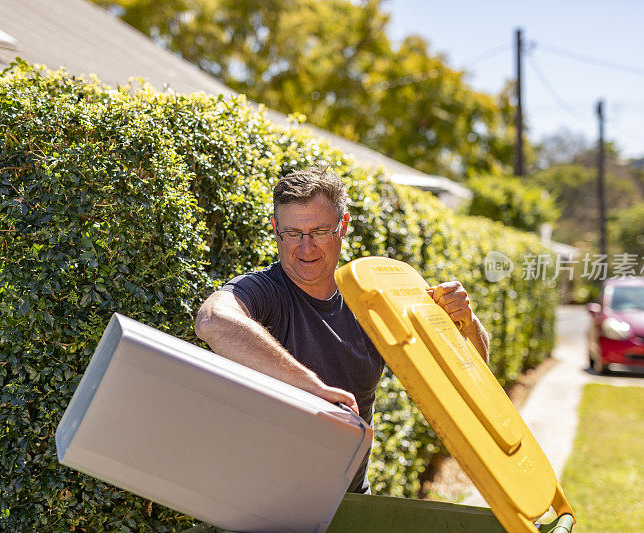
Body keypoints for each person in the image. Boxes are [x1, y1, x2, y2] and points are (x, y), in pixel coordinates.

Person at [195, 166, 489, 494]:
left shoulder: (374, 298)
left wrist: (465, 321)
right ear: (276, 229)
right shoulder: (264, 292)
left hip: (349, 502)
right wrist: (313, 390)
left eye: (320, 231)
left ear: (343, 227)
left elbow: (474, 378)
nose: (305, 248)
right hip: (264, 505)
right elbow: (212, 320)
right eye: (293, 233)